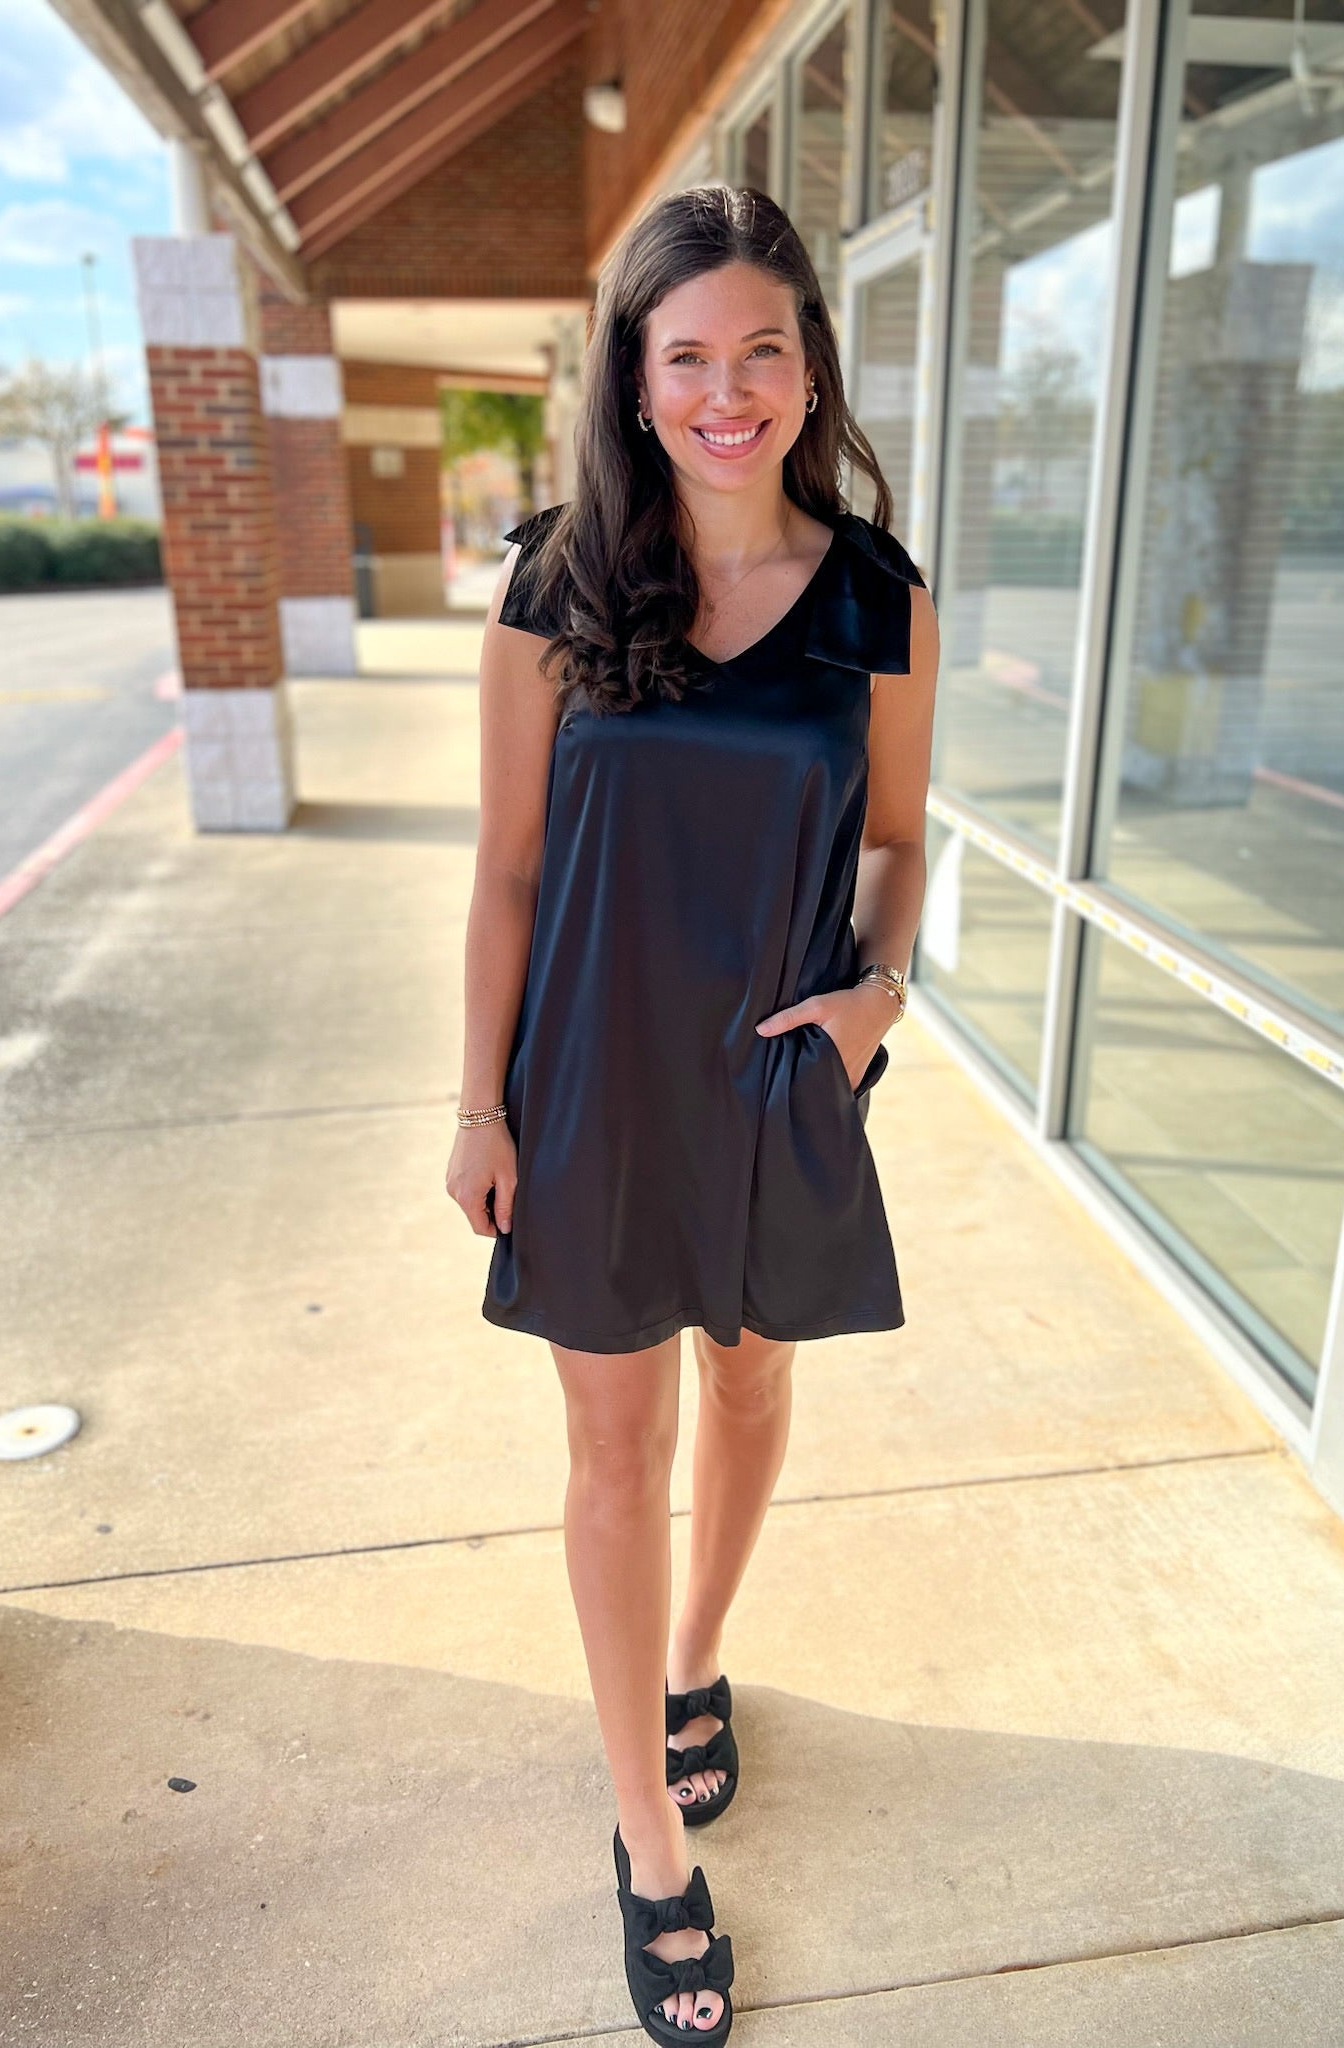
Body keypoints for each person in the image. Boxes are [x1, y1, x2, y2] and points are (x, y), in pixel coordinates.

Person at [447, 183, 938, 2045]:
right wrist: (479, 1105)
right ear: (635, 380)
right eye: (687, 358)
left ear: (808, 369)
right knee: (610, 1444)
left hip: (772, 1075)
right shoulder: (554, 583)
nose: (727, 394)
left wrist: (878, 995)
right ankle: (649, 1837)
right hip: (590, 1080)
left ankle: (696, 1660)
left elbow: (897, 842)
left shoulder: (880, 595)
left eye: (761, 352)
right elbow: (506, 871)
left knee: (747, 1381)